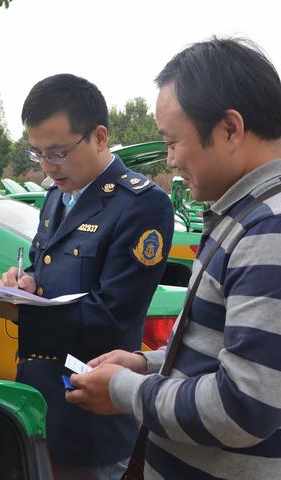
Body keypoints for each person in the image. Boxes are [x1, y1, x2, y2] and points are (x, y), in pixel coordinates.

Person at [66, 38, 281, 480]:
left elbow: (244, 406)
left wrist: (127, 391)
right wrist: (148, 363)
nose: (170, 160)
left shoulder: (269, 229)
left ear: (229, 130)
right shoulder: (245, 213)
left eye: (172, 142)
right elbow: (223, 350)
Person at [0, 74, 174, 479]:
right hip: (36, 397)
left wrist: (19, 314)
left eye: (58, 153)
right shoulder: (56, 198)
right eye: (38, 155)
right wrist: (24, 284)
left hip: (89, 409)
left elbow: (111, 316)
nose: (48, 168)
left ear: (99, 137)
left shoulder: (141, 206)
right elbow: (45, 269)